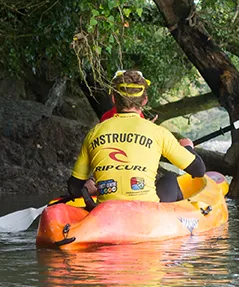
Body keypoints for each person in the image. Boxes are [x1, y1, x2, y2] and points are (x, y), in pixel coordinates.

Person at [68, 70, 206, 204]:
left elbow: (74, 188)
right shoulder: (158, 132)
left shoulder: (94, 132)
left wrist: (94, 186)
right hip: (147, 210)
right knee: (170, 178)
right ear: (144, 100)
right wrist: (188, 147)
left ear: (113, 99)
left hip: (107, 211)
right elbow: (198, 170)